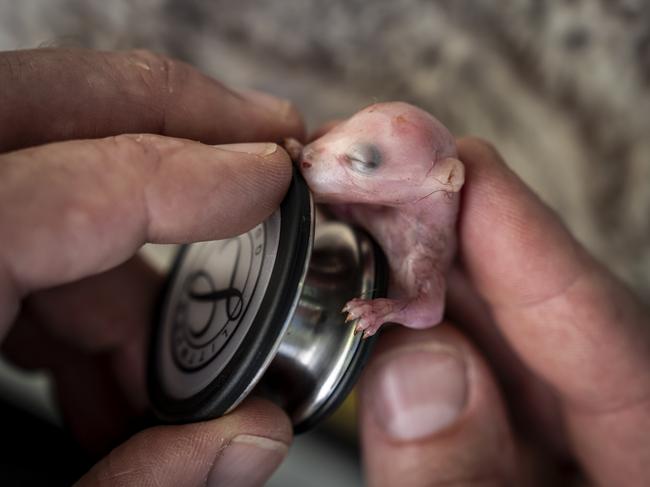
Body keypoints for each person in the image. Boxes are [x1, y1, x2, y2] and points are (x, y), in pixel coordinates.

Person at [0, 48, 648, 487]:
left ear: (441, 181)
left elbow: (428, 307)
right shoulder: (403, 193)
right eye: (345, 140)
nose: (324, 154)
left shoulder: (428, 237)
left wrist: (387, 308)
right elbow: (330, 191)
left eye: (360, 160)